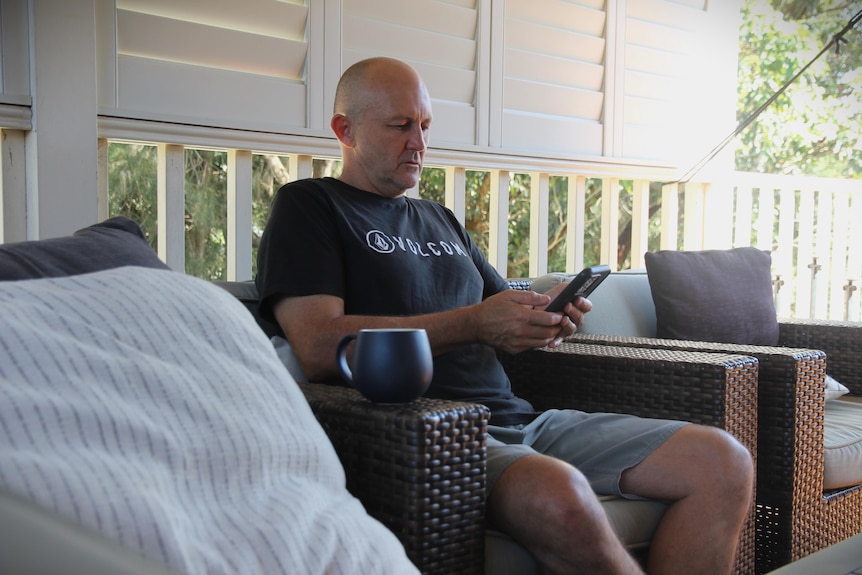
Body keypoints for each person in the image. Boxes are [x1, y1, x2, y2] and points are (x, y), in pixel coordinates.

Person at [256, 57, 753, 575]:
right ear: (345, 130)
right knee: (559, 493)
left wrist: (548, 311)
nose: (419, 143)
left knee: (723, 461)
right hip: (438, 436)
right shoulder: (310, 207)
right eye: (400, 125)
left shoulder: (438, 218)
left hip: (525, 420)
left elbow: (502, 303)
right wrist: (473, 323)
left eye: (424, 126)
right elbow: (318, 346)